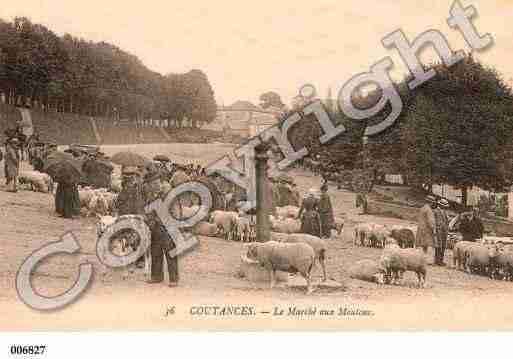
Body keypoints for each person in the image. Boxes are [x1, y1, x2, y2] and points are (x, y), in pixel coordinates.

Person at [144, 170, 179, 287]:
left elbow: (173, 212)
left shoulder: (168, 193)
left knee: (170, 252)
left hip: (168, 227)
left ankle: (174, 279)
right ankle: (156, 276)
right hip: (156, 227)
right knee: (155, 251)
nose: (150, 186)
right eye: (149, 184)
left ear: (157, 182)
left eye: (152, 183)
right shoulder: (153, 194)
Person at [433, 198, 449, 266]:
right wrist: (435, 230)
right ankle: (437, 260)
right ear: (441, 205)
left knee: (443, 245)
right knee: (438, 245)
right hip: (438, 230)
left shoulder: (444, 212)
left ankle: (441, 260)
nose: (445, 207)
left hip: (444, 230)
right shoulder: (435, 211)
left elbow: (446, 221)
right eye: (444, 206)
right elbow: (434, 221)